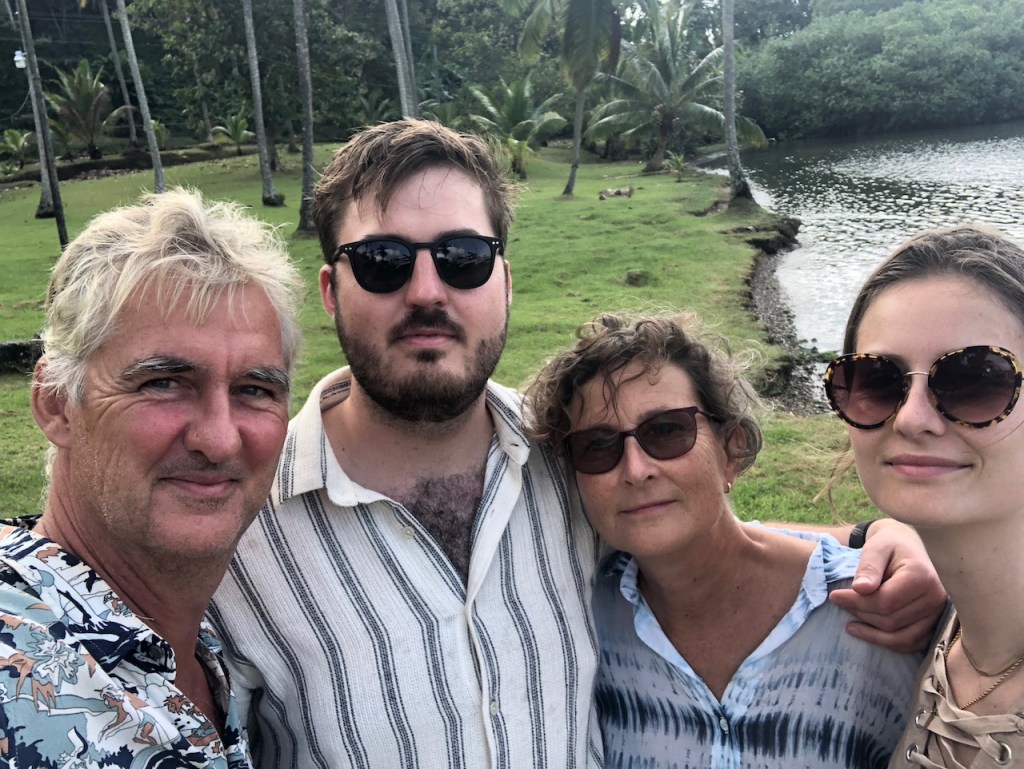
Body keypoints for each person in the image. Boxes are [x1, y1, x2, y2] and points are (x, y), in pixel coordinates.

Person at [209, 119, 945, 769]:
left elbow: (691, 527)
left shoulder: (568, 456)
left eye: (463, 258)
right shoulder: (236, 527)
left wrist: (881, 537)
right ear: (331, 290)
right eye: (383, 261)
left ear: (503, 281)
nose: (427, 291)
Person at [524, 311, 925, 768]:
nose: (635, 470)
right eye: (597, 446)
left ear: (731, 449)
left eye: (667, 430)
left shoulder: (880, 610)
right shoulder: (580, 621)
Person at [0, 189, 303, 768]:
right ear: (56, 403)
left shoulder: (211, 658)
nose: (219, 439)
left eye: (255, 390)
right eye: (162, 383)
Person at [822, 225, 1024, 768]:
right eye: (878, 380)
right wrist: (881, 531)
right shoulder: (956, 630)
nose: (912, 419)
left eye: (975, 380)